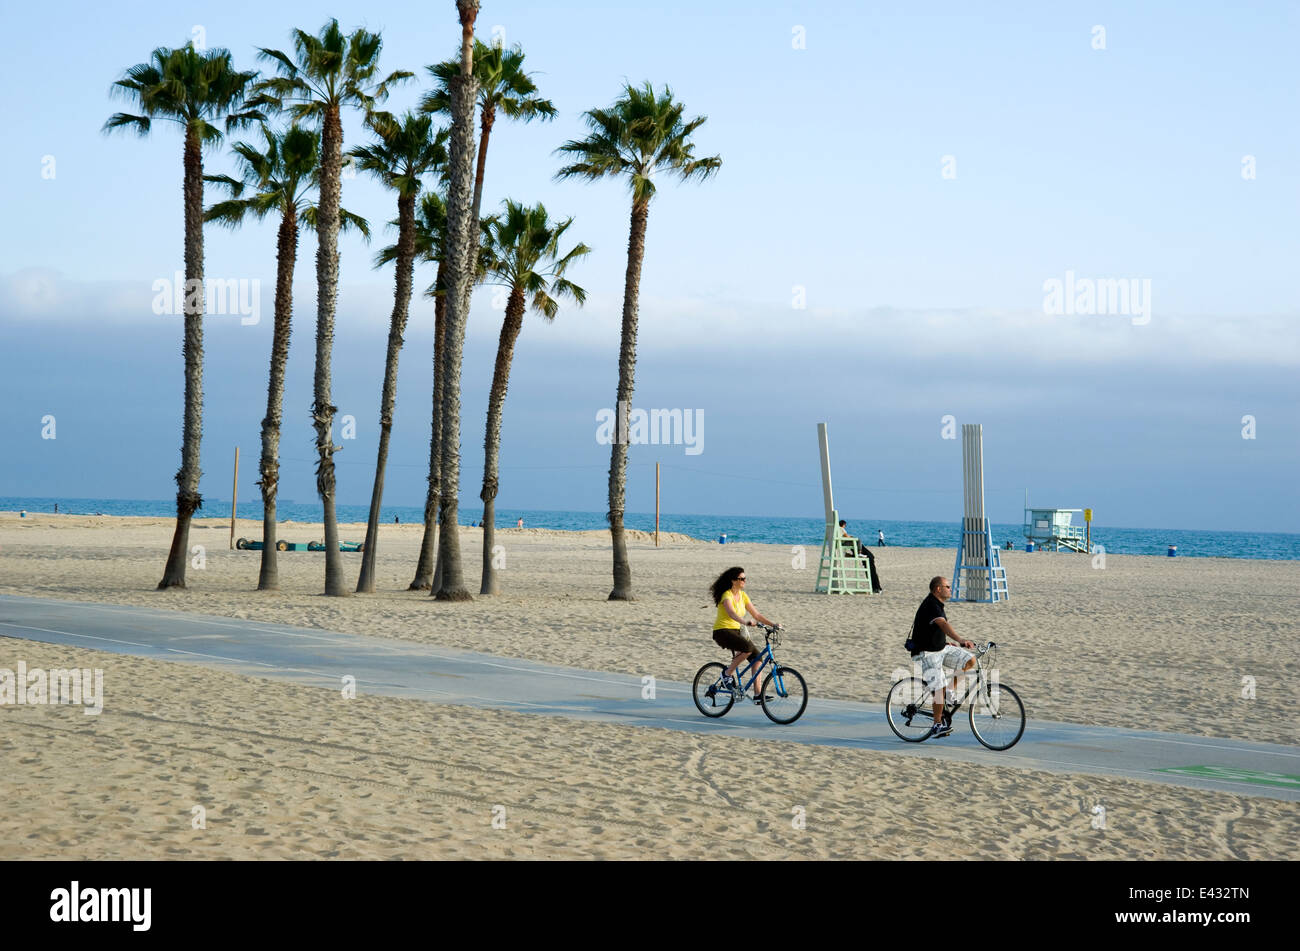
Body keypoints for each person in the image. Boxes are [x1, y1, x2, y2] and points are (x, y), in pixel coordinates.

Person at [909, 576, 976, 738]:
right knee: (939, 688)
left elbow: (933, 630)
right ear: (938, 589)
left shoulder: (937, 604)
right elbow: (943, 625)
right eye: (947, 586)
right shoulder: (931, 604)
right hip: (926, 653)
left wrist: (946, 643)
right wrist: (960, 640)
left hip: (940, 649)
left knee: (970, 660)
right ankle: (937, 724)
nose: (950, 589)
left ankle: (950, 691)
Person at [708, 566, 778, 702]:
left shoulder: (743, 596)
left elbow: (756, 614)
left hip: (737, 631)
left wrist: (773, 624)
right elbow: (731, 613)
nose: (744, 581)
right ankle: (727, 674)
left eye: (745, 579)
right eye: (741, 579)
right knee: (747, 648)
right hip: (722, 631)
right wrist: (745, 622)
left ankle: (758, 695)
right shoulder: (726, 595)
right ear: (733, 581)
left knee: (757, 658)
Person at [838, 520, 883, 593]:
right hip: (857, 549)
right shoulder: (841, 529)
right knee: (870, 560)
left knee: (869, 564)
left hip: (854, 548)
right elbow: (846, 535)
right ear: (843, 524)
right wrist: (851, 537)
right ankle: (877, 588)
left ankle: (876, 587)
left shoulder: (837, 530)